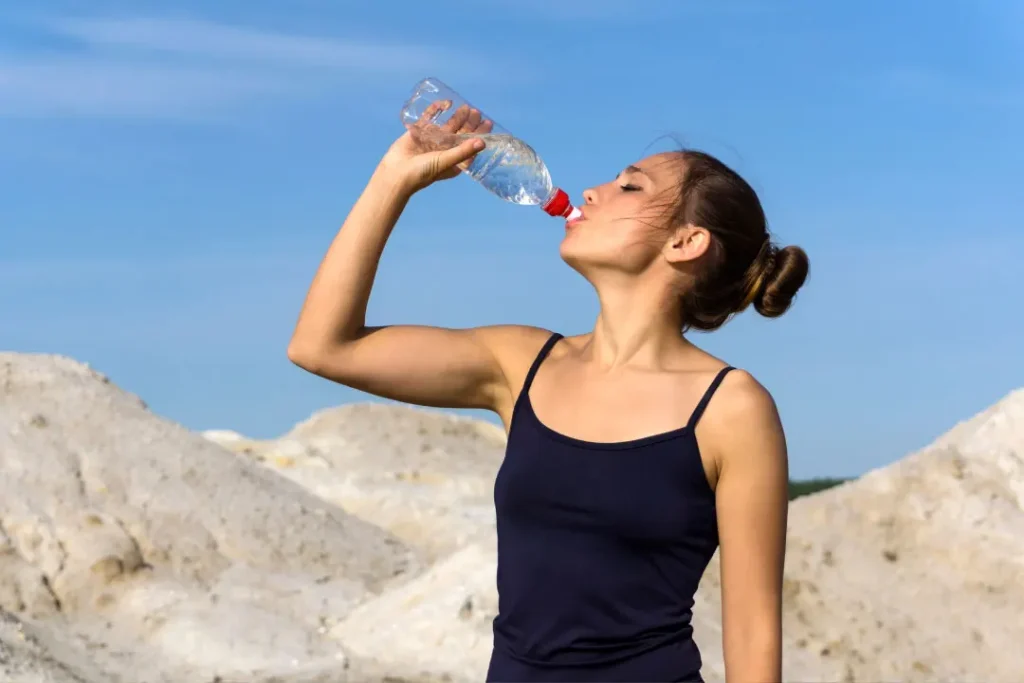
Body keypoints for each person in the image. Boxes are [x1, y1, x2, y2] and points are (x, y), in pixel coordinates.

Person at [287, 104, 809, 683]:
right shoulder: (520, 365)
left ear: (686, 242)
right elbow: (322, 346)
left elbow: (753, 634)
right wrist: (395, 178)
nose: (592, 191)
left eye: (629, 186)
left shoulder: (732, 409)